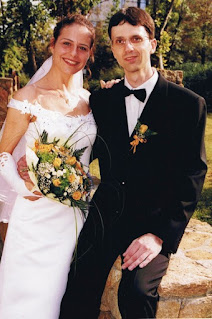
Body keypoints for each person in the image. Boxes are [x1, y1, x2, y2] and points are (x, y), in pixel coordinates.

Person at [59, 7, 207, 319]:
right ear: (112, 48)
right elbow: (83, 148)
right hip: (106, 215)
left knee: (137, 293)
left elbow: (194, 173)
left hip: (155, 219)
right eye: (119, 41)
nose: (128, 48)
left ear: (152, 44)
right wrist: (38, 163)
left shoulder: (188, 104)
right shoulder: (102, 100)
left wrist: (160, 235)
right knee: (75, 283)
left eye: (136, 39)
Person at [0, 14, 97, 319]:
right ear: (52, 45)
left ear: (89, 54)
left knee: (64, 295)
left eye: (82, 47)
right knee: (29, 296)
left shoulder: (89, 100)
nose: (73, 53)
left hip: (76, 215)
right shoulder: (27, 99)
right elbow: (1, 155)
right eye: (66, 43)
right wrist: (24, 190)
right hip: (36, 216)